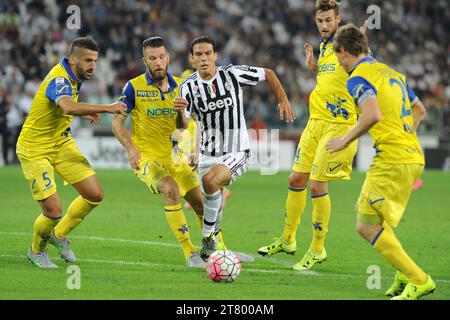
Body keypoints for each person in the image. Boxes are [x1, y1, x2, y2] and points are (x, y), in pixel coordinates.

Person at [327, 24, 434, 300]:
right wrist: (406, 135)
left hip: (392, 158)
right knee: (370, 215)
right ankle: (402, 272)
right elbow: (419, 109)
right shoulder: (392, 72)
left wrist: (345, 140)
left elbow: (372, 115)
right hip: (412, 154)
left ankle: (419, 279)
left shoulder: (358, 77)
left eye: (338, 56)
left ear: (346, 51)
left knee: (365, 226)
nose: (338, 63)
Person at [257, 0, 363, 271]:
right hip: (315, 122)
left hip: (338, 125)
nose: (325, 25)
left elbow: (363, 71)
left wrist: (362, 44)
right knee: (296, 179)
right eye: (320, 21)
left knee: (317, 185)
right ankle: (288, 239)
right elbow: (331, 81)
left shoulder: (352, 45)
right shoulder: (326, 47)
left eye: (329, 20)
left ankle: (317, 248)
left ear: (338, 20)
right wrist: (313, 67)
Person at [174, 36, 295, 261]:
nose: (204, 58)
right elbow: (184, 126)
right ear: (191, 59)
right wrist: (180, 112)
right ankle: (215, 241)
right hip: (207, 154)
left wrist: (283, 98)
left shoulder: (231, 74)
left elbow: (267, 73)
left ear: (215, 56)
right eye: (198, 54)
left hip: (237, 150)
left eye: (208, 53)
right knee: (208, 200)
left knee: (211, 182)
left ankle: (208, 237)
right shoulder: (187, 86)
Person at [16, 37, 127, 268]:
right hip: (35, 149)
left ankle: (59, 234)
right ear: (73, 58)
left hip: (61, 143)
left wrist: (83, 113)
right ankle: (37, 251)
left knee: (94, 194)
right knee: (53, 210)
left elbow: (63, 107)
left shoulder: (74, 76)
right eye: (88, 60)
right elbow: (66, 105)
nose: (92, 66)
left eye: (95, 61)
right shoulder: (60, 78)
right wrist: (107, 107)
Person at [112, 37, 208, 268]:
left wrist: (194, 147)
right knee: (170, 189)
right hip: (147, 157)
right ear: (144, 61)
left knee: (202, 205)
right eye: (152, 58)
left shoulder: (181, 86)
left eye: (161, 57)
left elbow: (185, 126)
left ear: (168, 58)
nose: (158, 62)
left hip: (175, 157)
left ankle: (217, 249)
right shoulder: (133, 87)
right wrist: (131, 148)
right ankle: (189, 252)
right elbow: (117, 123)